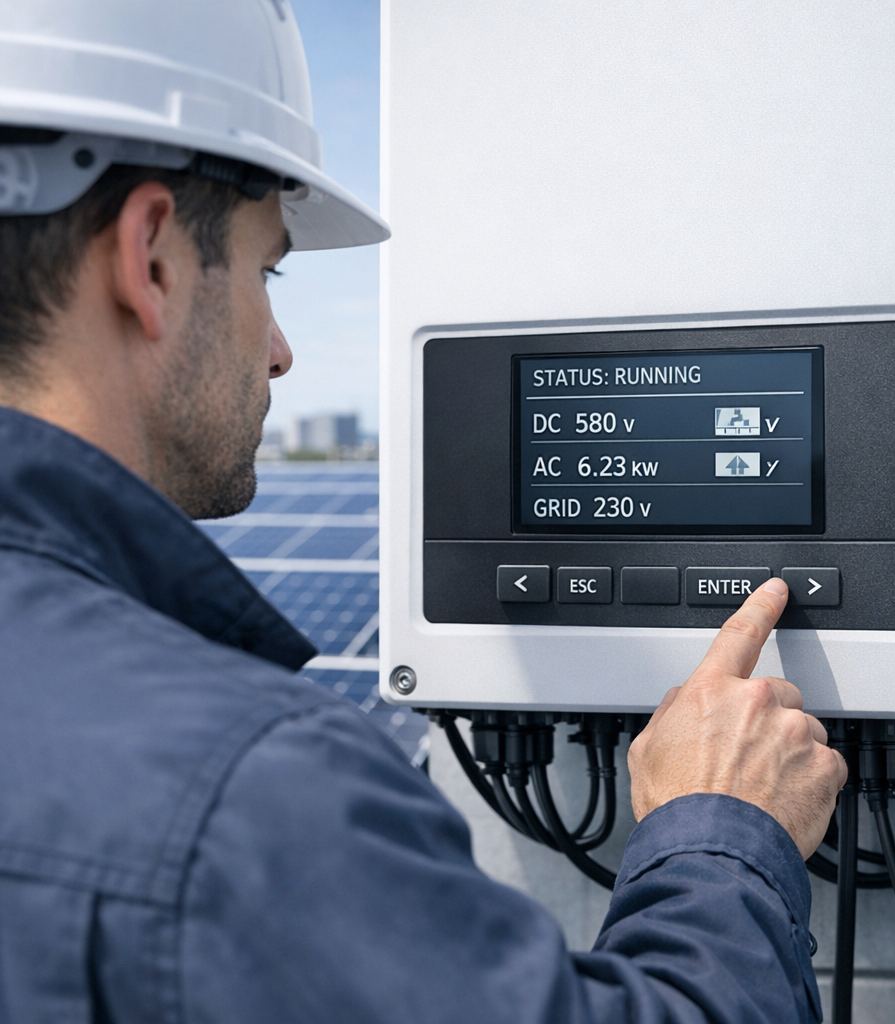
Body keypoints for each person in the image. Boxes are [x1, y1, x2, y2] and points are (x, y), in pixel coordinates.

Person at [0, 2, 846, 1021]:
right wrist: (724, 827)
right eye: (268, 271)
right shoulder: (246, 795)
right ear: (153, 259)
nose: (279, 348)